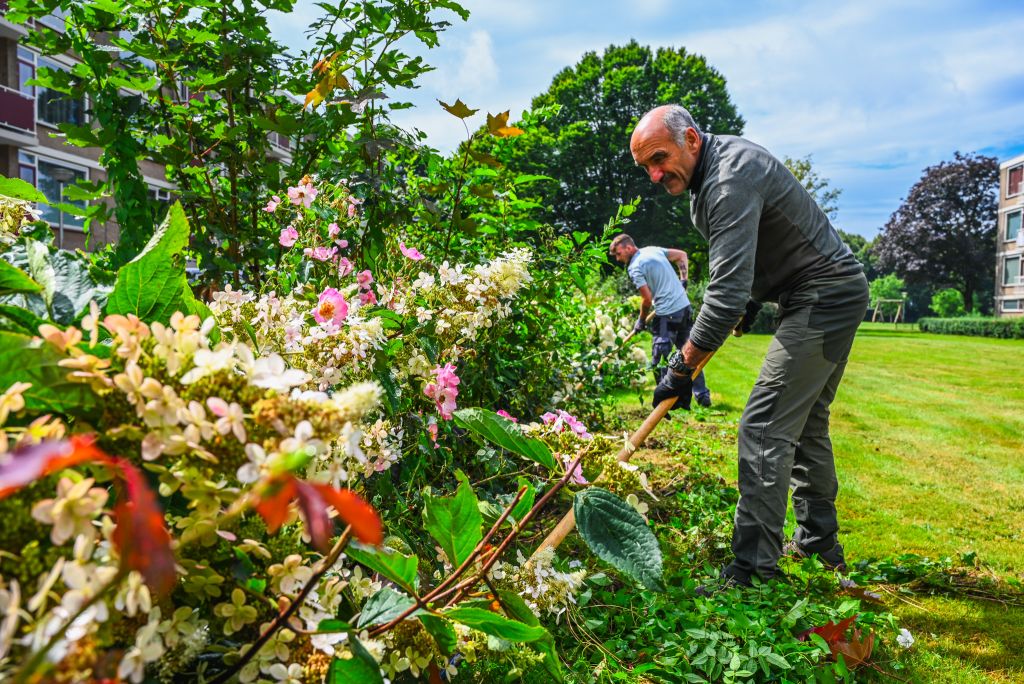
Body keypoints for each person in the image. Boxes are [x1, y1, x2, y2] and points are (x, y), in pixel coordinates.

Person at [629, 104, 869, 586]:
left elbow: (724, 294)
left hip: (823, 295)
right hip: (820, 292)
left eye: (659, 158)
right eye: (646, 168)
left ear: (691, 140)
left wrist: (680, 369)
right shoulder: (712, 176)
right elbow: (758, 253)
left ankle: (753, 570)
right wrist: (754, 304)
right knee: (804, 423)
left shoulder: (728, 179)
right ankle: (821, 546)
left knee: (762, 425)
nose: (654, 175)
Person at [609, 233, 712, 407]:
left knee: (660, 360)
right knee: (689, 354)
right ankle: (702, 396)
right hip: (684, 308)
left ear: (628, 247)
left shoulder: (635, 267)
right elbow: (682, 255)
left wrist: (641, 320)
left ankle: (667, 402)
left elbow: (647, 299)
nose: (618, 259)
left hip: (667, 315)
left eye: (618, 254)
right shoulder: (654, 250)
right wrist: (683, 280)